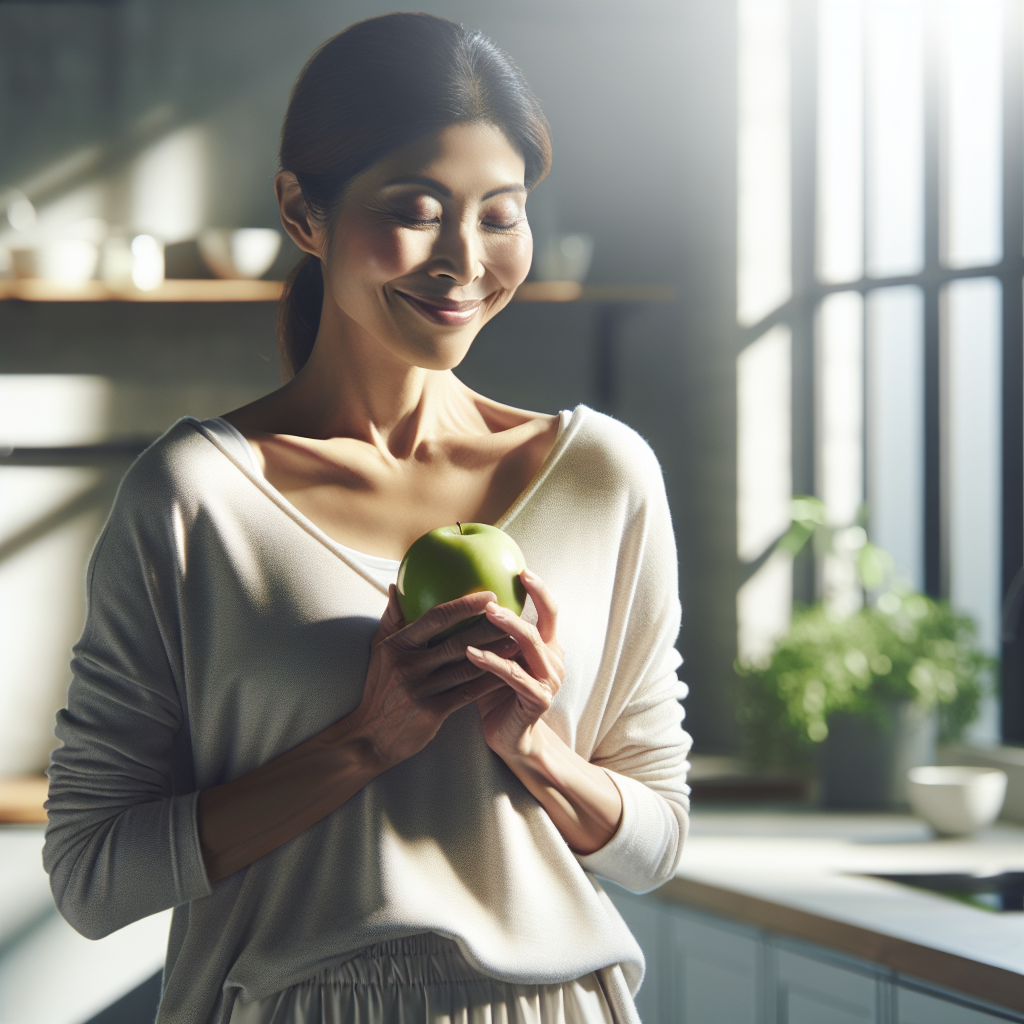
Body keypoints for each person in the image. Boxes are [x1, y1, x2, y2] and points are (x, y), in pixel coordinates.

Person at [43, 13, 691, 1024]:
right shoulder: (194, 496)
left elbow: (656, 848)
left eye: (500, 214)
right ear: (302, 212)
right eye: (416, 210)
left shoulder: (604, 476)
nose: (463, 260)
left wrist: (535, 748)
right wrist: (364, 741)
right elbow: (91, 876)